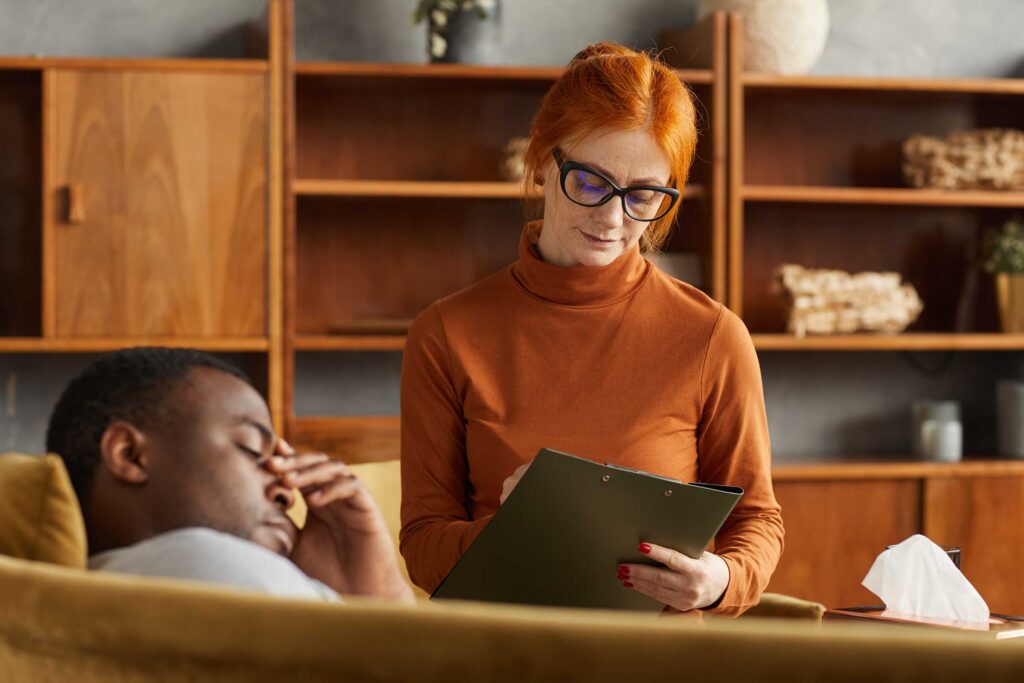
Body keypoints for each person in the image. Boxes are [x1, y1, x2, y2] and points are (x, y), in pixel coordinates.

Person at [399, 42, 783, 616]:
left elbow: (757, 519)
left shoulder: (712, 336)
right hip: (503, 655)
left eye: (643, 195)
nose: (612, 218)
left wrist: (720, 580)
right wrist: (516, 528)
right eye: (590, 183)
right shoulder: (446, 334)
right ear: (541, 165)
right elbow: (424, 544)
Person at [46, 347, 413, 604]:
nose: (288, 490)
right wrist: (386, 602)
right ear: (131, 455)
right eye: (254, 450)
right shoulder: (208, 562)